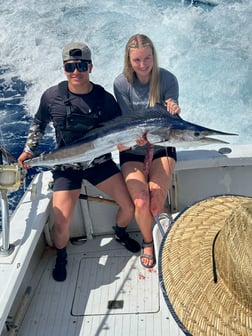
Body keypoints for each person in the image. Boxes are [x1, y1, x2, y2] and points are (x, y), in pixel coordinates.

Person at [18, 42, 140, 282]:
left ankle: (119, 232)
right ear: (64, 68)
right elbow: (38, 124)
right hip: (67, 167)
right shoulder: (51, 96)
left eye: (81, 65)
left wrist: (129, 144)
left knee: (129, 207)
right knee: (61, 223)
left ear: (90, 67)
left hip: (99, 164)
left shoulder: (104, 99)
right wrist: (28, 150)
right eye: (70, 66)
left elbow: (120, 133)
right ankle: (61, 255)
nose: (76, 71)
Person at [113, 34, 181, 269]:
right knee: (141, 202)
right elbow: (127, 123)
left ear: (154, 56)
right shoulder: (121, 84)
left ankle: (168, 237)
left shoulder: (168, 79)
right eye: (137, 60)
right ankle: (149, 242)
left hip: (161, 145)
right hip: (134, 147)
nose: (143, 65)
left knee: (155, 201)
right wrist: (137, 140)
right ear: (129, 60)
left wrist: (173, 109)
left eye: (148, 59)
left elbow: (172, 125)